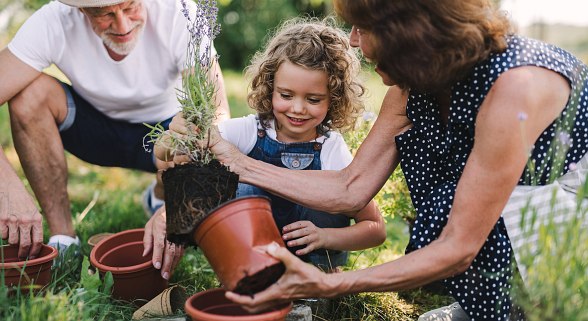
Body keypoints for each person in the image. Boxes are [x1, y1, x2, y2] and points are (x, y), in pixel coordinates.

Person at [167, 0, 588, 320]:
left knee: (481, 232)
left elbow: (459, 246)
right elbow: (351, 188)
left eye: (362, 28)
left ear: (408, 33)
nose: (352, 40)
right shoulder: (411, 89)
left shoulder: (514, 89)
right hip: (509, 198)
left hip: (569, 212)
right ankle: (483, 306)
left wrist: (332, 283)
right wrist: (228, 163)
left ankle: (528, 306)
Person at [0, 0, 229, 279]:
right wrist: (7, 185)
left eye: (131, 6)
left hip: (164, 136)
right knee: (28, 95)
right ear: (81, 10)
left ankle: (161, 194)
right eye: (105, 14)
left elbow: (216, 113)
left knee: (197, 128)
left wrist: (179, 201)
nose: (123, 25)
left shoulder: (179, 12)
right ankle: (64, 238)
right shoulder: (52, 21)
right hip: (93, 130)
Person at [157, 18, 386, 272]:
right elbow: (166, 151)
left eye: (313, 99)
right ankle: (246, 272)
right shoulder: (250, 131)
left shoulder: (331, 147)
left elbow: (375, 229)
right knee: (241, 189)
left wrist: (326, 237)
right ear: (270, 89)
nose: (298, 109)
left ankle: (323, 277)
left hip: (312, 263)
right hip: (255, 260)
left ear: (334, 98)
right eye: (286, 95)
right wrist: (176, 134)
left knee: (329, 197)